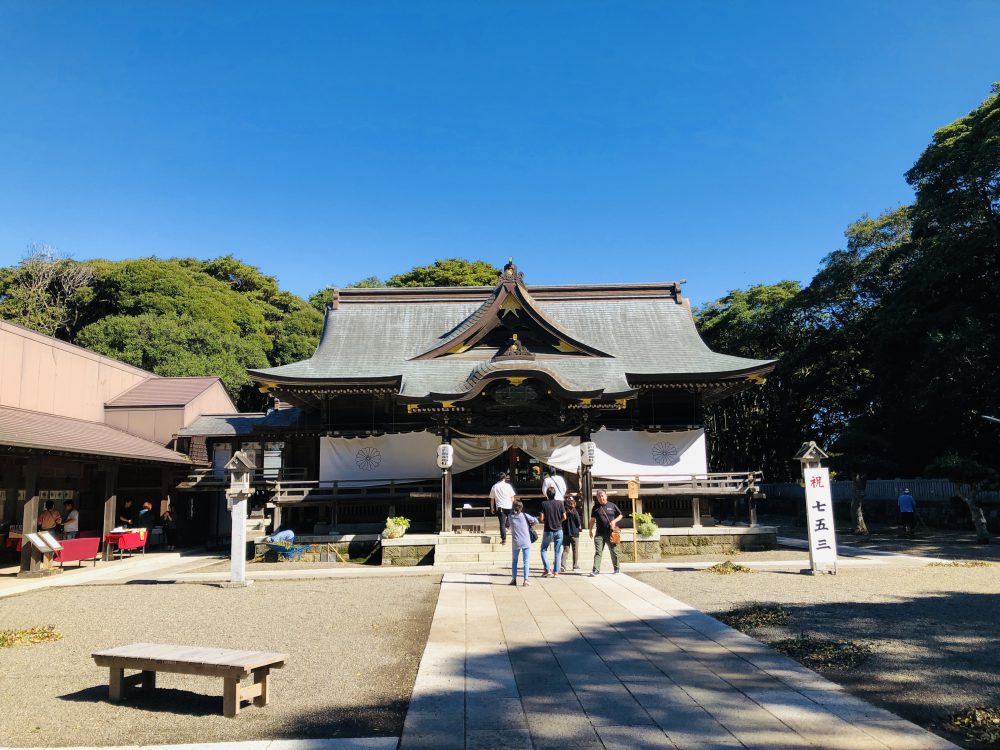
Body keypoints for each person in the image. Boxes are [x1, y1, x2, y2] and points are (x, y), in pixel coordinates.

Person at [589, 490, 624, 576]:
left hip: (610, 533)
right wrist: (590, 530)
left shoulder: (612, 505)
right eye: (599, 496)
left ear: (606, 496)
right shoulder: (595, 507)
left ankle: (617, 568)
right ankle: (596, 570)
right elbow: (592, 520)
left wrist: (614, 521)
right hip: (599, 533)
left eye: (602, 496)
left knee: (614, 551)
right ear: (597, 498)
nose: (601, 498)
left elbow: (621, 515)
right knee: (598, 552)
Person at [508, 500, 537, 587]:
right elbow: (536, 520)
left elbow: (509, 526)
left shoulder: (510, 516)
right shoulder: (524, 515)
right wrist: (530, 525)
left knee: (514, 561)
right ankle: (526, 580)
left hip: (516, 541)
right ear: (521, 508)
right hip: (525, 540)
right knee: (526, 561)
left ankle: (514, 579)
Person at [539, 485, 566, 577]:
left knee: (543, 549)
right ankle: (556, 572)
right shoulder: (560, 503)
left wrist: (546, 521)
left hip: (548, 530)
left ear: (547, 494)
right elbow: (564, 516)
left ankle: (547, 569)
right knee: (557, 551)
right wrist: (559, 521)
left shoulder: (544, 504)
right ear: (555, 494)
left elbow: (541, 518)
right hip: (559, 529)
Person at [489, 472, 516, 545]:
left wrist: (492, 508)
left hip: (500, 507)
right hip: (509, 505)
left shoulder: (494, 486)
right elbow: (512, 497)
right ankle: (507, 526)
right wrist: (513, 505)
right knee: (510, 518)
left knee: (502, 523)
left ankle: (504, 539)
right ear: (505, 478)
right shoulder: (508, 486)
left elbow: (492, 498)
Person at [561, 495, 582, 572]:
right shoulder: (575, 512)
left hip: (566, 533)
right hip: (574, 534)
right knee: (575, 550)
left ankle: (563, 565)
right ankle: (575, 565)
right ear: (573, 504)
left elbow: (561, 521)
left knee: (565, 550)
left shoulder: (564, 513)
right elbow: (578, 523)